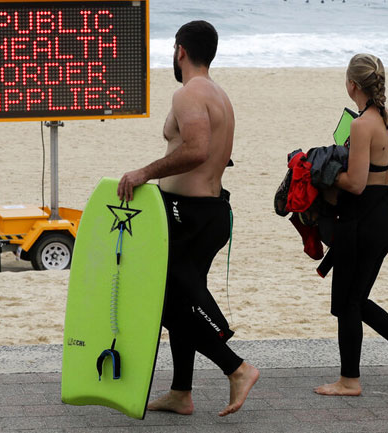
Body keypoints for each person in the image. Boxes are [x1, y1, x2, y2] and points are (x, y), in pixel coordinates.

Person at [117, 20, 259, 417]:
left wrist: (144, 173)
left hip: (189, 216)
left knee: (161, 300)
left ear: (180, 50)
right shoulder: (220, 96)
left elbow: (196, 149)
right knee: (179, 297)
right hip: (208, 212)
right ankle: (181, 393)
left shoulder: (188, 95)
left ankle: (236, 368)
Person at [314, 53, 388, 397]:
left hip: (361, 221)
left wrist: (325, 173)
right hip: (383, 218)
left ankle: (350, 380)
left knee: (348, 303)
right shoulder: (387, 118)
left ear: (352, 84)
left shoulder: (361, 124)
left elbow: (356, 182)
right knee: (354, 300)